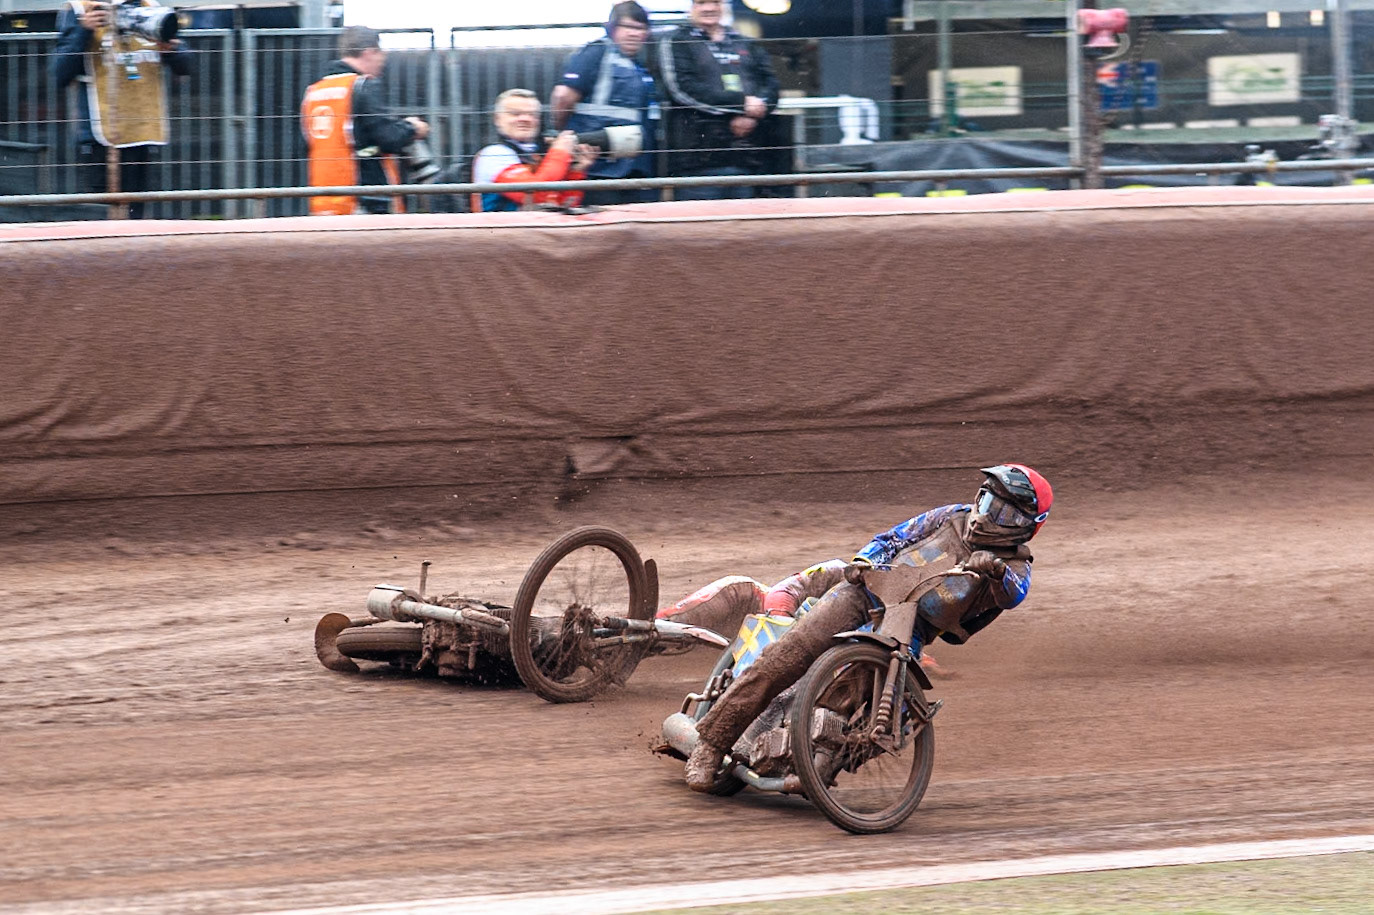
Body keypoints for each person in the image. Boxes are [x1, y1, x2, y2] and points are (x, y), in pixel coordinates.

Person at [683, 464, 1054, 791]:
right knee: (786, 655)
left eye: (1004, 511)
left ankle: (818, 759)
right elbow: (894, 538)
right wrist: (864, 561)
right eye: (988, 501)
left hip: (911, 629)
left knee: (873, 702)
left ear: (1025, 527)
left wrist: (996, 569)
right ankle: (711, 744)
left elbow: (1013, 594)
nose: (987, 515)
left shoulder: (1016, 568)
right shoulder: (949, 517)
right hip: (867, 592)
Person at [51, 0, 192, 219]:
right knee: (100, 217)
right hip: (100, 136)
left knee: (136, 215)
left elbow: (186, 66)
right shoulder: (81, 9)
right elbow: (60, 74)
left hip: (142, 132)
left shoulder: (149, 7)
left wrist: (171, 50)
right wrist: (83, 30)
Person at [655, 0, 780, 201]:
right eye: (701, 2)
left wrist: (754, 114)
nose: (709, 8)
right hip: (698, 165)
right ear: (691, 7)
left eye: (715, 1)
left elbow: (771, 85)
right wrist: (741, 105)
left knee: (744, 230)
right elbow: (682, 89)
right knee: (700, 230)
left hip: (747, 162)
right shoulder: (677, 41)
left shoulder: (745, 42)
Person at [300, 25, 429, 216]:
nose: (381, 64)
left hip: (323, 201)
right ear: (368, 52)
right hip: (363, 200)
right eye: (380, 56)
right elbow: (388, 138)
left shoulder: (312, 93)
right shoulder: (362, 86)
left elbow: (308, 144)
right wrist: (412, 128)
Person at [549, 1, 659, 206]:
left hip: (632, 170)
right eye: (628, 27)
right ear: (612, 27)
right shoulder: (597, 52)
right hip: (598, 170)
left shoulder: (639, 65)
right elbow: (563, 96)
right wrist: (565, 134)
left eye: (640, 28)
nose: (634, 34)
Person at [469, 89, 596, 213]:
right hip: (501, 231)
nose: (525, 119)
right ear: (497, 119)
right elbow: (534, 196)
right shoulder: (493, 154)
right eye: (515, 114)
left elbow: (563, 205)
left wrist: (576, 172)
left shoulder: (541, 154)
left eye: (532, 114)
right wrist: (560, 151)